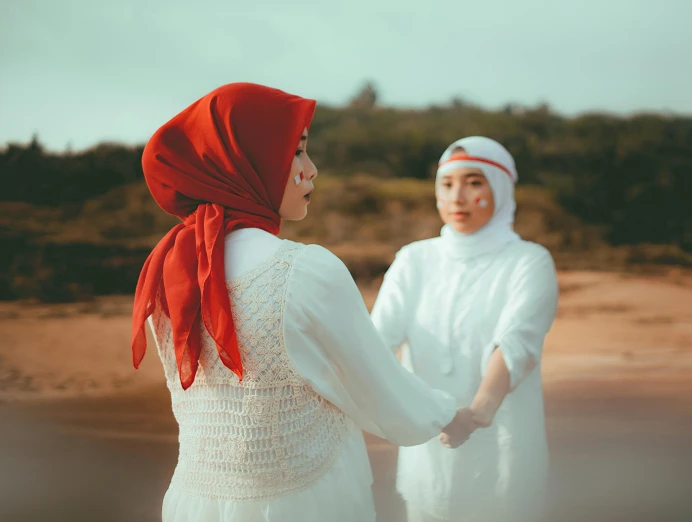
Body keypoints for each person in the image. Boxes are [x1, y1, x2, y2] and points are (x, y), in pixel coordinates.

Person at [131, 83, 477, 522]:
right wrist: (447, 414)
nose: (311, 170)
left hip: (195, 501)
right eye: (295, 152)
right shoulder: (305, 270)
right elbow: (379, 386)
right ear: (246, 162)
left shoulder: (167, 272)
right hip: (302, 501)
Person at [370, 136, 559, 522]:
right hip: (429, 439)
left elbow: (515, 344)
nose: (457, 197)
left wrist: (478, 413)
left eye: (474, 182)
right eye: (447, 184)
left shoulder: (529, 262)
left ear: (501, 188)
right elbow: (375, 342)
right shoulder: (414, 260)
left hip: (501, 432)